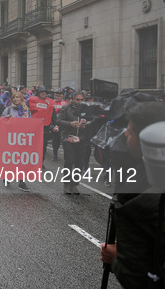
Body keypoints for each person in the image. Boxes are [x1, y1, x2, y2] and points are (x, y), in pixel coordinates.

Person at [100, 102, 165, 289]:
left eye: (130, 130)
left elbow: (139, 279)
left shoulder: (138, 203)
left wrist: (115, 259)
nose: (125, 134)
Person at [57, 91, 87, 195]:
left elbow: (93, 122)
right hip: (68, 138)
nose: (79, 101)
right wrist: (70, 124)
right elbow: (58, 121)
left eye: (82, 100)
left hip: (81, 139)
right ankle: (67, 183)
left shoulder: (87, 110)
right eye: (77, 99)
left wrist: (86, 125)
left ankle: (74, 184)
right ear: (73, 99)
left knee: (79, 163)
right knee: (69, 161)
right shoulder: (66, 108)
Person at [2, 92, 32, 192]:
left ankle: (21, 181)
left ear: (22, 99)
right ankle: (6, 175)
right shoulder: (8, 109)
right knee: (11, 158)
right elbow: (2, 121)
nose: (15, 99)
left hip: (23, 139)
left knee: (22, 160)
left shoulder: (27, 110)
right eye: (13, 98)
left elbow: (31, 122)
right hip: (11, 138)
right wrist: (7, 119)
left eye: (17, 97)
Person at [51, 89, 69, 161]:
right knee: (55, 141)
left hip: (63, 124)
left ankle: (67, 156)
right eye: (55, 95)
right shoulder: (51, 102)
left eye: (59, 95)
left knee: (65, 141)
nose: (57, 97)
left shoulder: (66, 103)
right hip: (54, 124)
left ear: (62, 96)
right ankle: (55, 155)